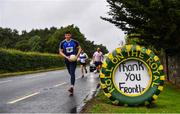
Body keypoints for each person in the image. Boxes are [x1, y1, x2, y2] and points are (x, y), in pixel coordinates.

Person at [59, 31, 81, 96]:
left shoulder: (74, 42)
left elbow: (80, 48)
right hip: (67, 59)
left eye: (68, 35)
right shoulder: (62, 43)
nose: (67, 36)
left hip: (73, 59)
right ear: (65, 36)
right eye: (66, 35)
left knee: (72, 72)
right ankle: (72, 84)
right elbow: (60, 52)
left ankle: (72, 87)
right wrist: (66, 57)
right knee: (70, 73)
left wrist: (77, 56)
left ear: (70, 35)